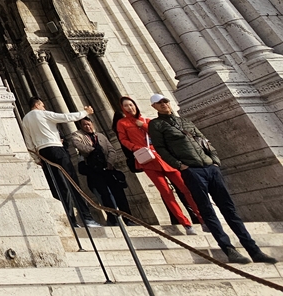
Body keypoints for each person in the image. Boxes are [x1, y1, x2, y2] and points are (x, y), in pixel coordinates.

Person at [148, 94, 278, 265]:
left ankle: (253, 250)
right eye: (159, 103)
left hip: (210, 167)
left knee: (229, 210)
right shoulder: (156, 125)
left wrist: (215, 160)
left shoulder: (185, 121)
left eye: (165, 101)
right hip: (192, 170)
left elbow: (204, 140)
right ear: (154, 107)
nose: (164, 104)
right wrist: (179, 165)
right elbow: (161, 149)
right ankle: (229, 249)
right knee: (207, 210)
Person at [114, 96, 200, 234]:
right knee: (166, 192)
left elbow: (158, 136)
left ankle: (202, 217)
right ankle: (185, 223)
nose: (130, 108)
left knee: (185, 188)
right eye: (126, 106)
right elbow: (123, 139)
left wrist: (144, 126)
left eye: (131, 104)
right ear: (122, 109)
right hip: (147, 160)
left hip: (163, 158)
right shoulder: (122, 123)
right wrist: (135, 148)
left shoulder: (147, 121)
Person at [21, 95, 102, 228]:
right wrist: (85, 113)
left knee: (58, 186)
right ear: (36, 105)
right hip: (56, 149)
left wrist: (36, 159)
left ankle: (71, 221)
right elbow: (66, 117)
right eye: (42, 105)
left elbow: (28, 142)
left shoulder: (25, 119)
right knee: (72, 182)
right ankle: (87, 218)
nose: (43, 107)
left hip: (43, 152)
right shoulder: (43, 114)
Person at [69, 116, 132, 226]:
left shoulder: (101, 136)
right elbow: (77, 144)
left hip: (107, 168)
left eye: (89, 124)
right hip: (93, 170)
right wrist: (94, 151)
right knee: (104, 195)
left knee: (119, 194)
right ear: (81, 126)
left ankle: (129, 219)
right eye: (84, 125)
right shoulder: (78, 135)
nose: (88, 126)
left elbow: (111, 150)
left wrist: (110, 162)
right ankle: (113, 219)